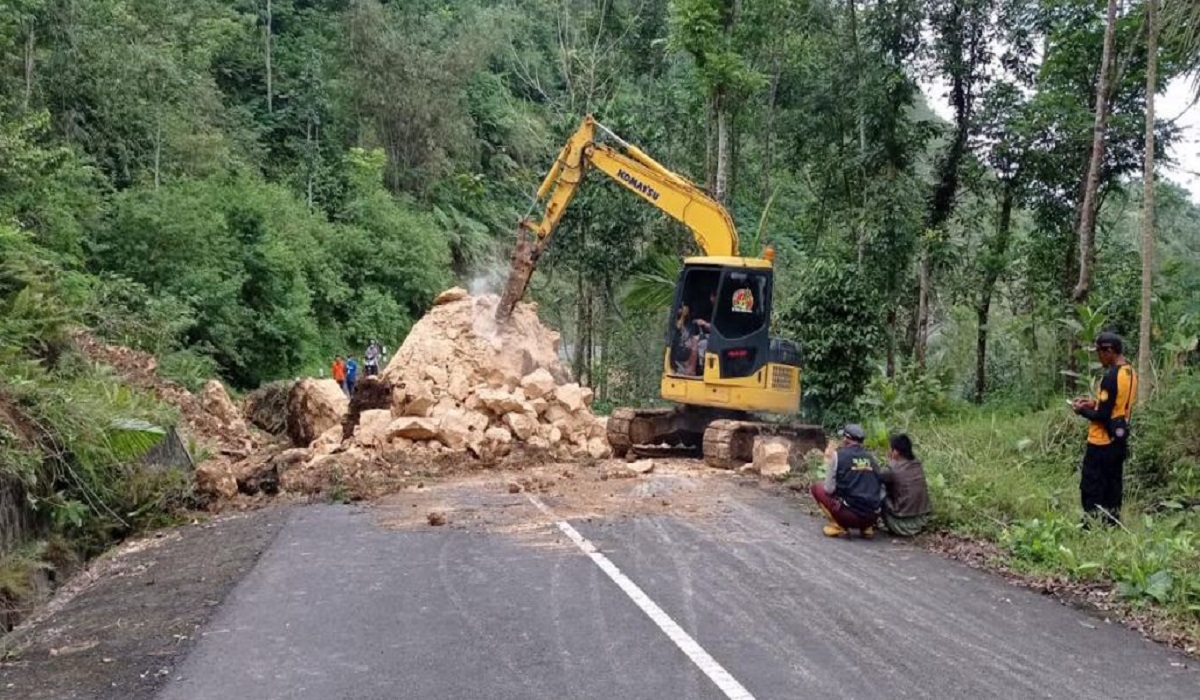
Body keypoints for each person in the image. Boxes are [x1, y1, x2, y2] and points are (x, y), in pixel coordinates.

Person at [1071, 332, 1138, 526]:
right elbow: (1116, 405)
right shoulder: (1130, 373)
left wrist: (1081, 410)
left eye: (1100, 352)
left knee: (1091, 483)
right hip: (1119, 438)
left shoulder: (1110, 377)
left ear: (1109, 351)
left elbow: (1102, 416)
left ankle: (1089, 524)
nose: (1098, 357)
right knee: (1113, 483)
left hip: (1101, 441)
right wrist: (1093, 403)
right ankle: (1112, 523)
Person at [810, 424, 884, 538]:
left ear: (846, 439)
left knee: (816, 488)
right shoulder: (871, 458)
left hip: (849, 516)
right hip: (872, 517)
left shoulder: (838, 456)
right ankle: (866, 529)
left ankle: (838, 526)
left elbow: (829, 489)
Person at [879, 434, 932, 536]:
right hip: (922, 521)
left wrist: (890, 462)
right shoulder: (917, 464)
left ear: (895, 452)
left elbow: (877, 477)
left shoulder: (892, 469)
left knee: (879, 487)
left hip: (901, 524)